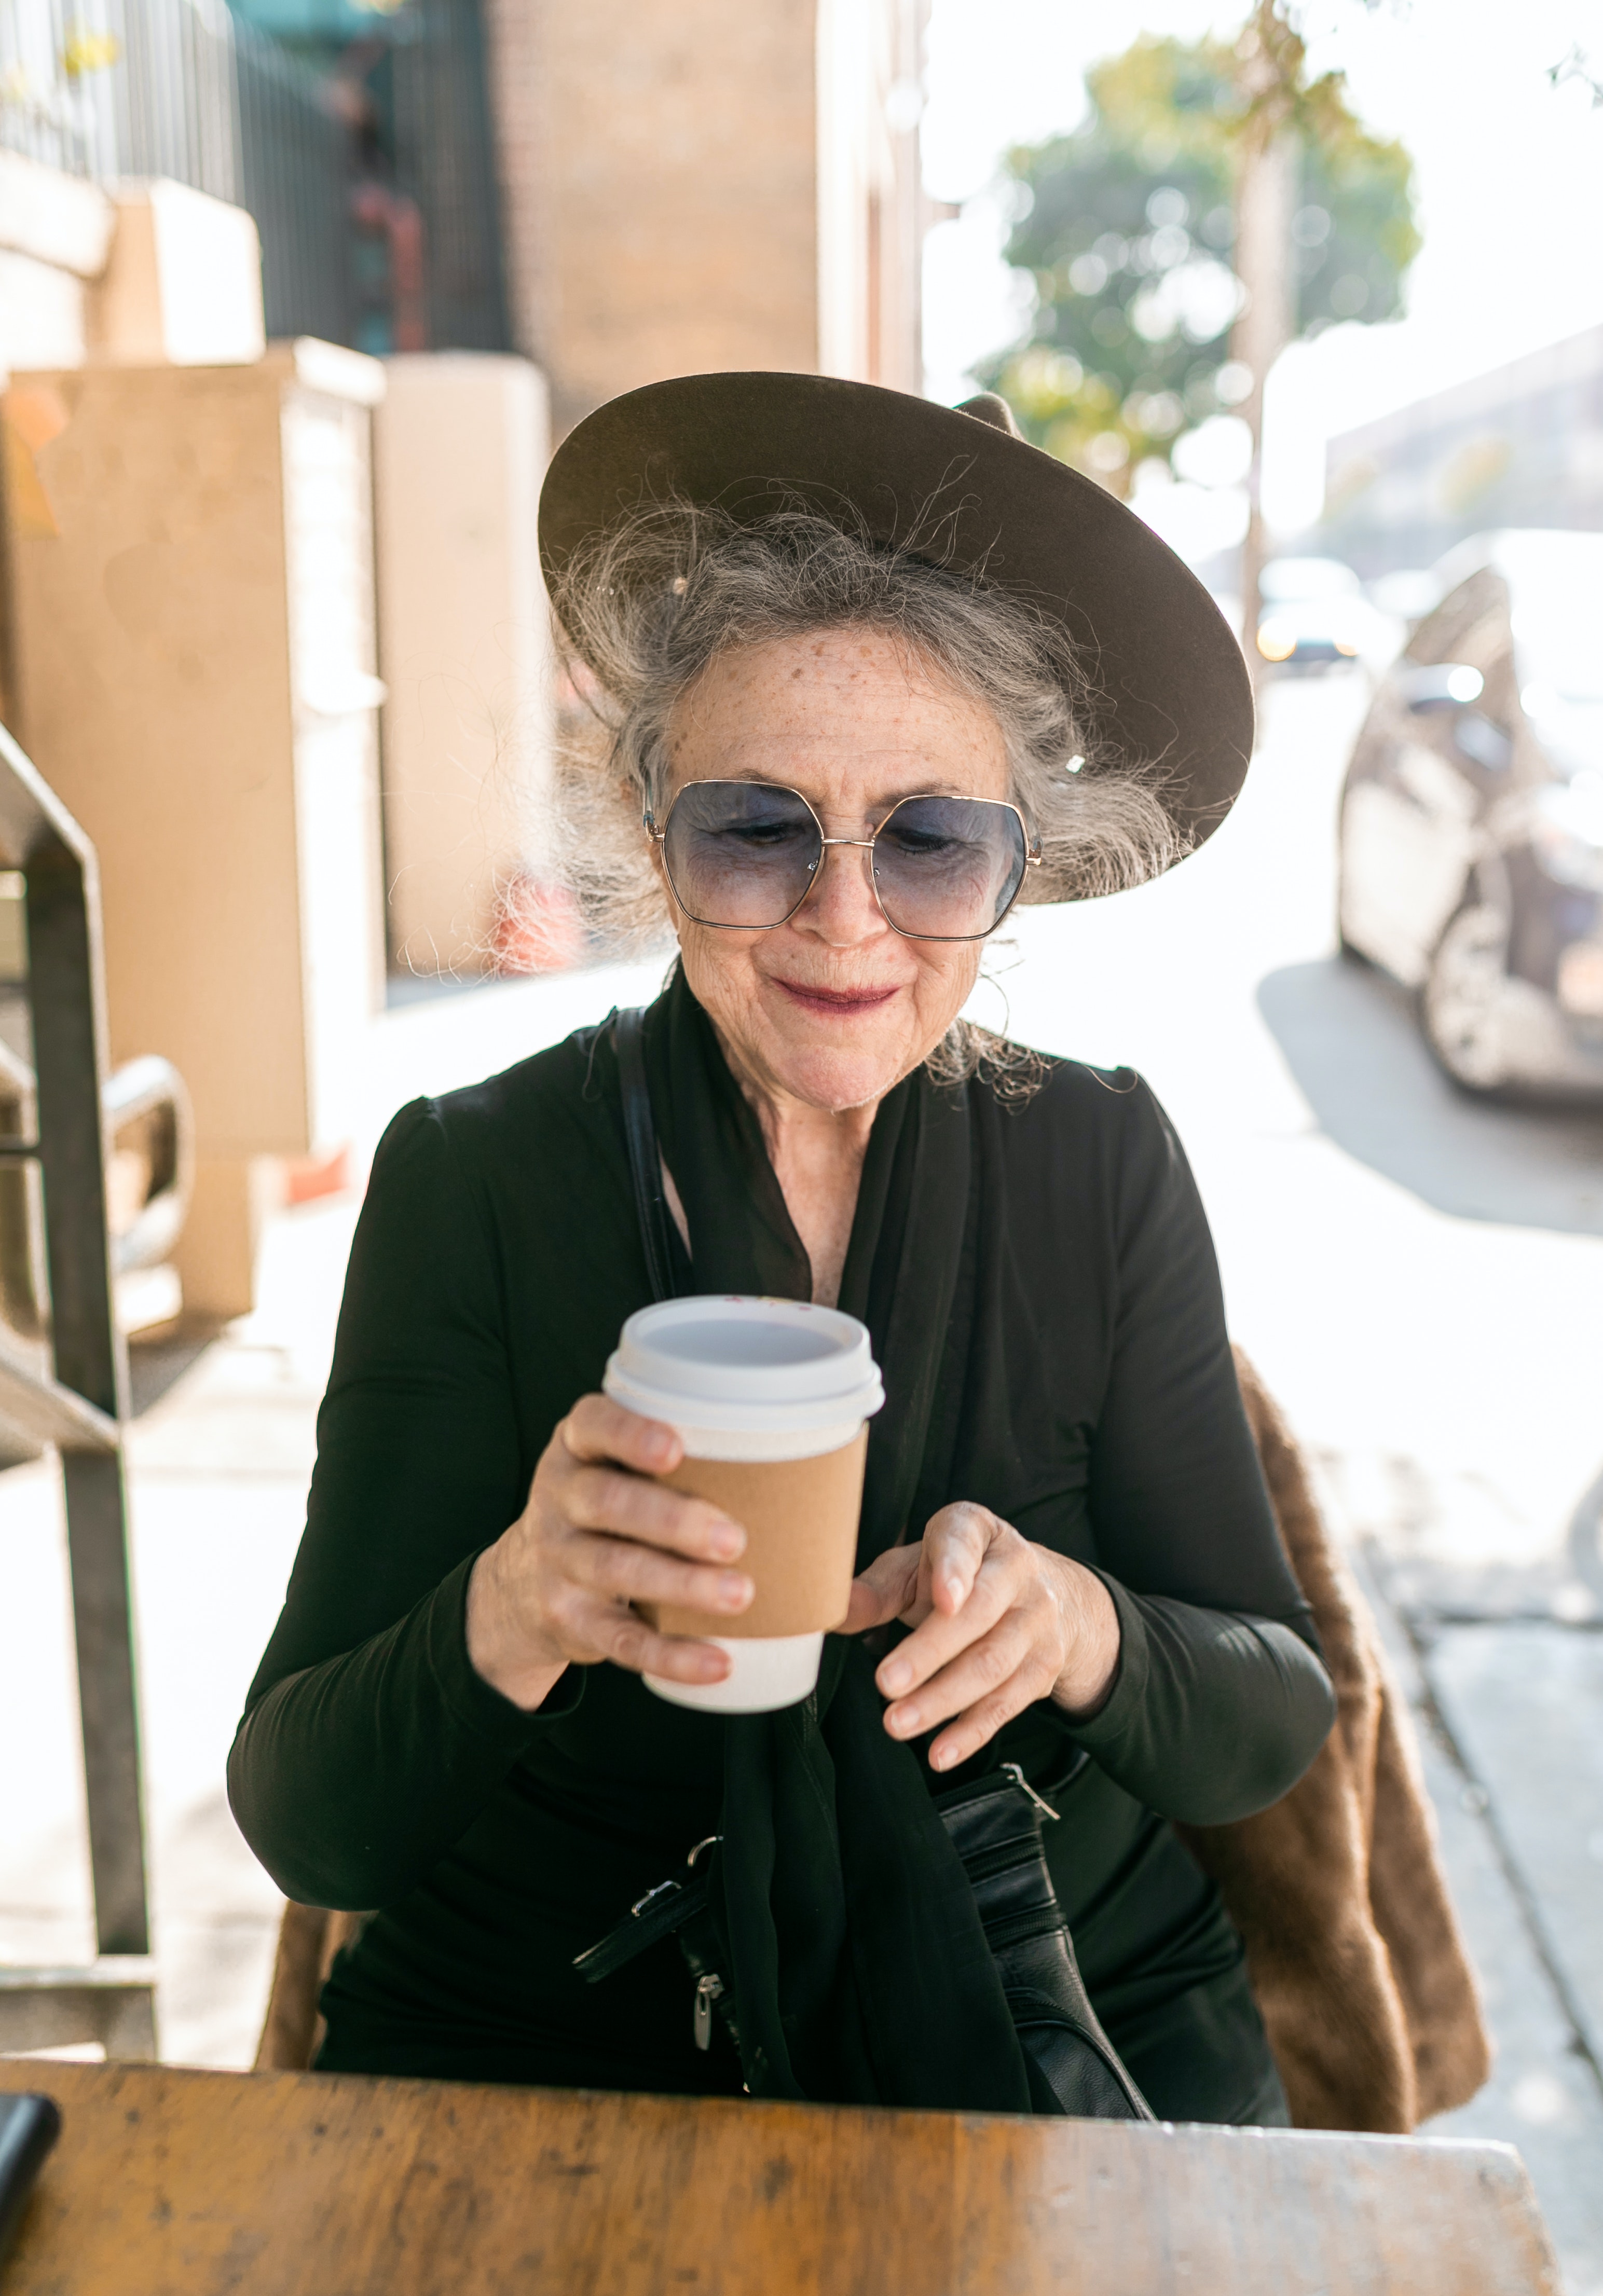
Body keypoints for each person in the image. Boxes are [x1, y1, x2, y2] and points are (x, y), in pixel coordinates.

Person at [229, 374, 1336, 2123]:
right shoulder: (476, 1175)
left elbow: (1273, 1716)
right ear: (653, 837)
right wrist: (514, 1602)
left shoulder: (1098, 1155)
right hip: (562, 2034)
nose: (844, 918)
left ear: (1013, 865)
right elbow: (311, 1812)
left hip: (1058, 2012)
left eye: (927, 837)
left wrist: (1077, 1627)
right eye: (756, 830)